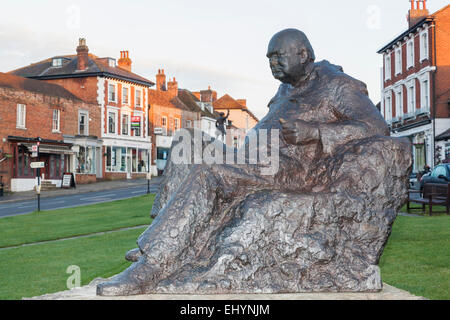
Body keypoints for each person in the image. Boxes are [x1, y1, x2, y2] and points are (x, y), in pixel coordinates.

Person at [97, 29, 411, 296]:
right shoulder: (288, 84)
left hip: (288, 170)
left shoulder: (337, 85)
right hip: (256, 156)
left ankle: (151, 266)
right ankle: (162, 236)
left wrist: (313, 132)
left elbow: (375, 128)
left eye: (278, 56)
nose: (273, 64)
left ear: (303, 54)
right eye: (269, 59)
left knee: (208, 167)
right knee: (186, 142)